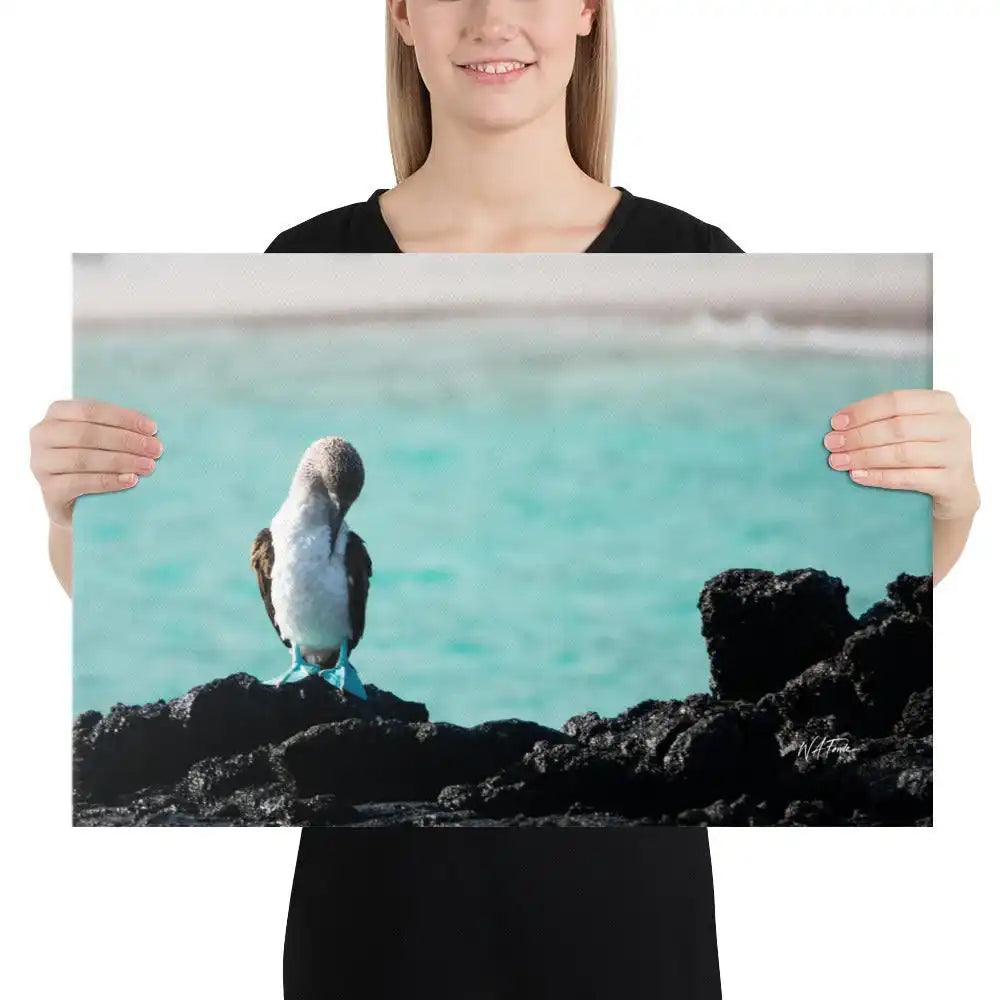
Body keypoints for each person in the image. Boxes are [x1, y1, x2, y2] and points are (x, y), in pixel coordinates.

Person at [28, 1, 979, 998]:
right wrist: (59, 516)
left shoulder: (695, 249)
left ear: (586, 12)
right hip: (372, 930)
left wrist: (951, 508)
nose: (492, 17)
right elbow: (81, 597)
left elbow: (918, 621)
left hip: (627, 927)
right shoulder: (305, 249)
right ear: (400, 14)